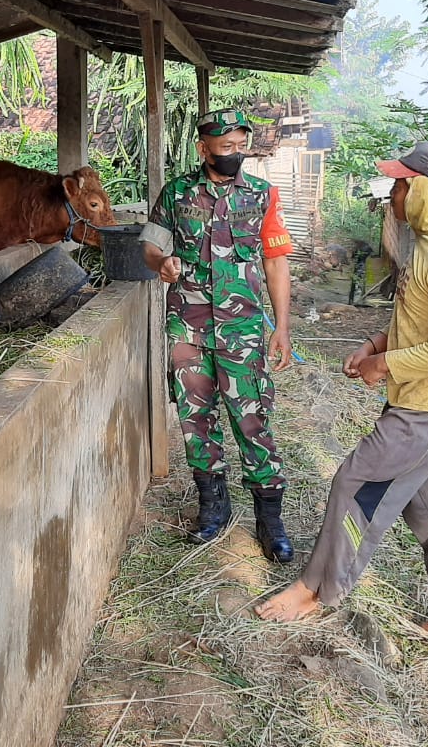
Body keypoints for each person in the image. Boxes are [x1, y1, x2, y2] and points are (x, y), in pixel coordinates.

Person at [255, 141, 428, 651]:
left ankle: (315, 589)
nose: (393, 196)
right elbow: (420, 322)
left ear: (425, 192)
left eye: (401, 186)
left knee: (356, 483)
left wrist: (383, 366)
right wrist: (374, 345)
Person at [140, 109, 296, 562]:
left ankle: (270, 520)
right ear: (202, 148)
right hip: (187, 327)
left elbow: (275, 262)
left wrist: (282, 327)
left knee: (252, 420)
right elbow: (150, 244)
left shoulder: (262, 194)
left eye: (241, 146)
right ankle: (213, 506)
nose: (235, 154)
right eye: (225, 147)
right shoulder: (177, 193)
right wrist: (160, 262)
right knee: (195, 420)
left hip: (242, 330)